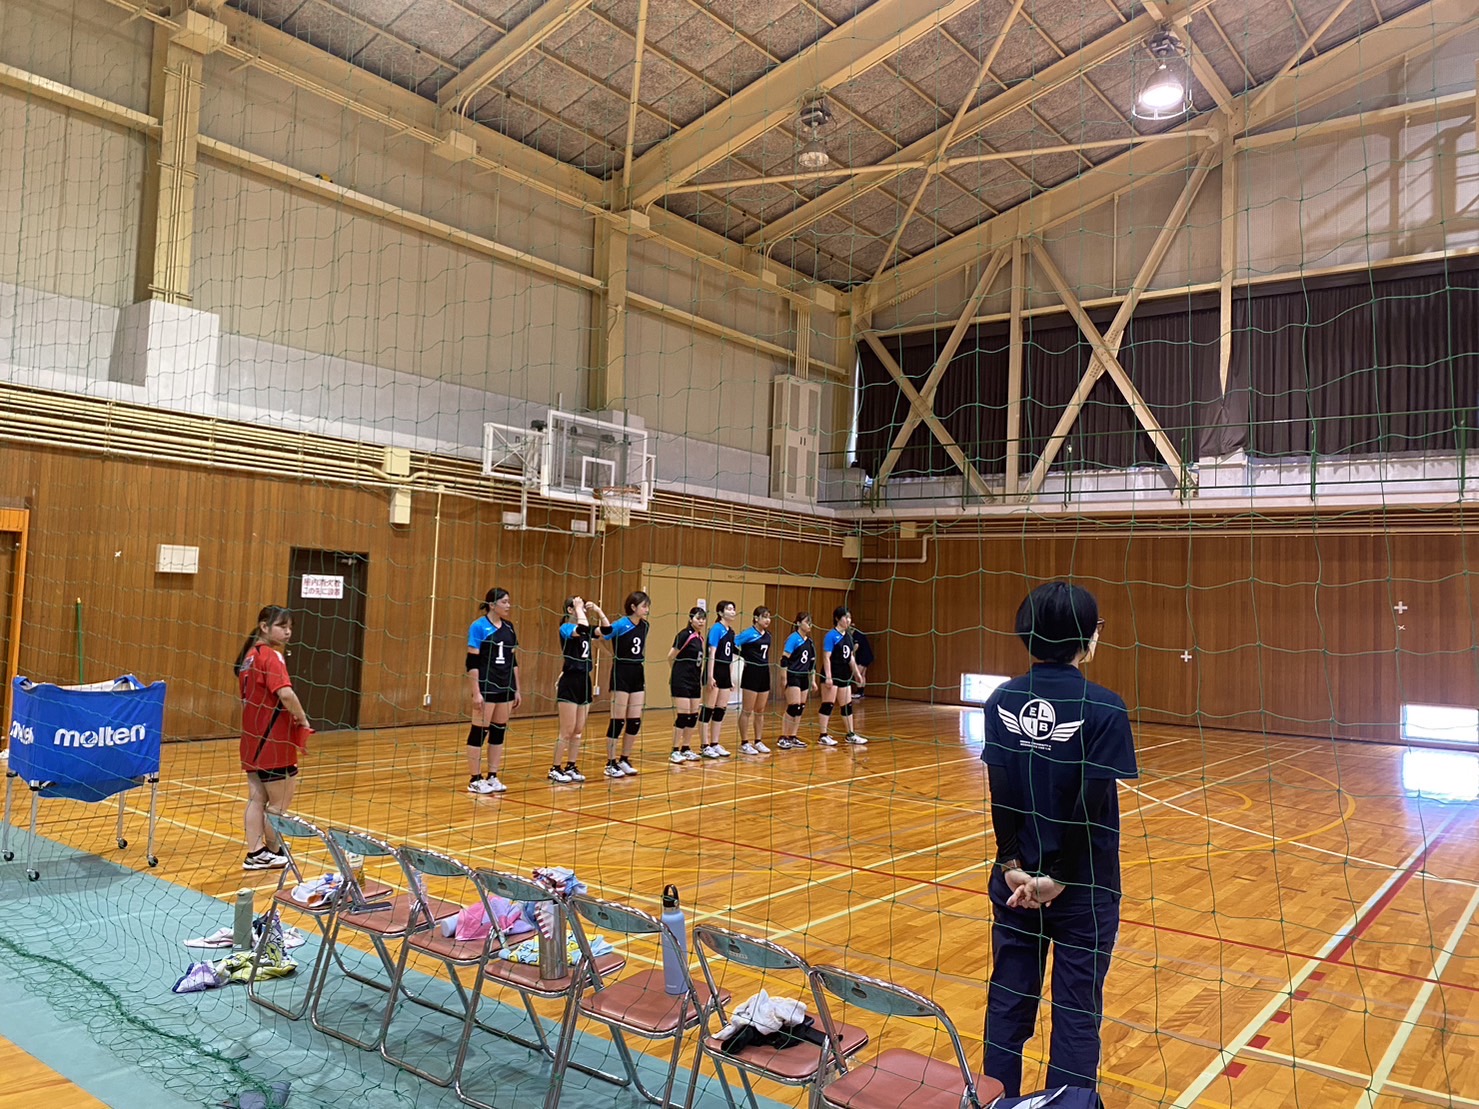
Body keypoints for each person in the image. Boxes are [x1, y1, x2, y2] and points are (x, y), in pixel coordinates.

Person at [981, 581, 1138, 1101]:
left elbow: (1000, 791)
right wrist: (1060, 879)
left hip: (1015, 886)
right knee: (1075, 1013)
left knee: (1007, 1003)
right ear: (1088, 637)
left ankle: (995, 1101)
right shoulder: (1105, 708)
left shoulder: (1002, 700)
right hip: (1084, 891)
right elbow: (1090, 805)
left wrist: (1011, 864)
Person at [234, 605, 312, 870]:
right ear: (264, 627)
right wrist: (303, 720)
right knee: (278, 804)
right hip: (273, 741)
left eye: (290, 627)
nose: (288, 632)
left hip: (252, 741)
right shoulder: (271, 656)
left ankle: (256, 853)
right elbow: (286, 694)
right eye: (281, 626)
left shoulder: (248, 657)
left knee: (257, 799)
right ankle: (274, 850)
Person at [465, 587, 520, 794]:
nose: (508, 605)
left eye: (509, 601)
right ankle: (475, 778)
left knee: (498, 732)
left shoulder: (509, 627)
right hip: (487, 686)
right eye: (504, 602)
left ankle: (493, 776)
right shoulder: (478, 626)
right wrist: (476, 692)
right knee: (479, 731)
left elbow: (513, 661)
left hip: (506, 686)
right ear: (492, 604)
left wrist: (517, 689)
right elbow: (472, 662)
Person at [551, 597, 607, 784]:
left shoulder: (586, 628)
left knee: (578, 731)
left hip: (585, 680)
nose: (583, 610)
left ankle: (571, 766)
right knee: (566, 731)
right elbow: (581, 628)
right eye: (579, 607)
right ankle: (555, 768)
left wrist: (598, 611)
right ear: (570, 609)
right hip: (570, 681)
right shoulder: (566, 628)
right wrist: (578, 608)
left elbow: (607, 631)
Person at [603, 591, 651, 778]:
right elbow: (600, 637)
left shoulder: (645, 626)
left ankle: (624, 758)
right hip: (621, 671)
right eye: (644, 606)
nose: (647, 609)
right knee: (618, 720)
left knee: (634, 720)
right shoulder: (620, 624)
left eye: (647, 606)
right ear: (633, 607)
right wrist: (609, 654)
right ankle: (610, 762)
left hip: (637, 671)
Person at [820, 606, 866, 746]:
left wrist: (857, 674)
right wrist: (828, 676)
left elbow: (850, 656)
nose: (848, 620)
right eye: (846, 617)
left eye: (849, 617)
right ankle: (823, 735)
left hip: (844, 674)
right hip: (832, 673)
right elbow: (826, 657)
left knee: (847, 705)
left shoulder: (848, 637)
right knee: (828, 704)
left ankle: (850, 734)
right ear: (837, 619)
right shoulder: (831, 636)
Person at [666, 607, 706, 764]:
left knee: (693, 716)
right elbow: (671, 656)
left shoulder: (700, 638)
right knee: (683, 716)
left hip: (695, 680)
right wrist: (677, 673)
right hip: (681, 680)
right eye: (698, 618)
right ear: (691, 619)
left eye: (703, 618)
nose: (701, 621)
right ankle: (675, 750)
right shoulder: (684, 635)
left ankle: (686, 748)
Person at [700, 599, 737, 758]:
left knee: (720, 710)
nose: (732, 612)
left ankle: (715, 743)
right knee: (708, 709)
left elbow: (730, 656)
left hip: (725, 673)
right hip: (714, 671)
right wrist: (710, 676)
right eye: (729, 609)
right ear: (721, 613)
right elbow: (712, 653)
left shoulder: (731, 632)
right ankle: (704, 745)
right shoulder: (716, 629)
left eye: (733, 609)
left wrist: (730, 678)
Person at [734, 606, 774, 756]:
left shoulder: (768, 635)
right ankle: (744, 743)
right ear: (756, 618)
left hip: (764, 673)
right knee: (747, 709)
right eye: (764, 617)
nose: (767, 620)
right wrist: (744, 656)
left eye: (769, 617)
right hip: (751, 673)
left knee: (760, 710)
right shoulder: (748, 633)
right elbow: (732, 643)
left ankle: (758, 741)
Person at [777, 612, 817, 750]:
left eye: (810, 622)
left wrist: (813, 681)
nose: (809, 625)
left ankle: (793, 736)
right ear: (799, 623)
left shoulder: (809, 642)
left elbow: (812, 663)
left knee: (800, 707)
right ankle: (783, 737)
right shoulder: (793, 638)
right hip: (793, 675)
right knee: (793, 706)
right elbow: (784, 659)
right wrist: (784, 679)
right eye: (807, 622)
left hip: (804, 677)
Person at [852, 626, 874, 699]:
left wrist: (850, 653)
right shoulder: (858, 634)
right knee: (862, 674)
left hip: (863, 657)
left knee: (857, 674)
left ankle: (859, 692)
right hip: (867, 656)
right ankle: (861, 692)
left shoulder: (856, 635)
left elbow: (856, 645)